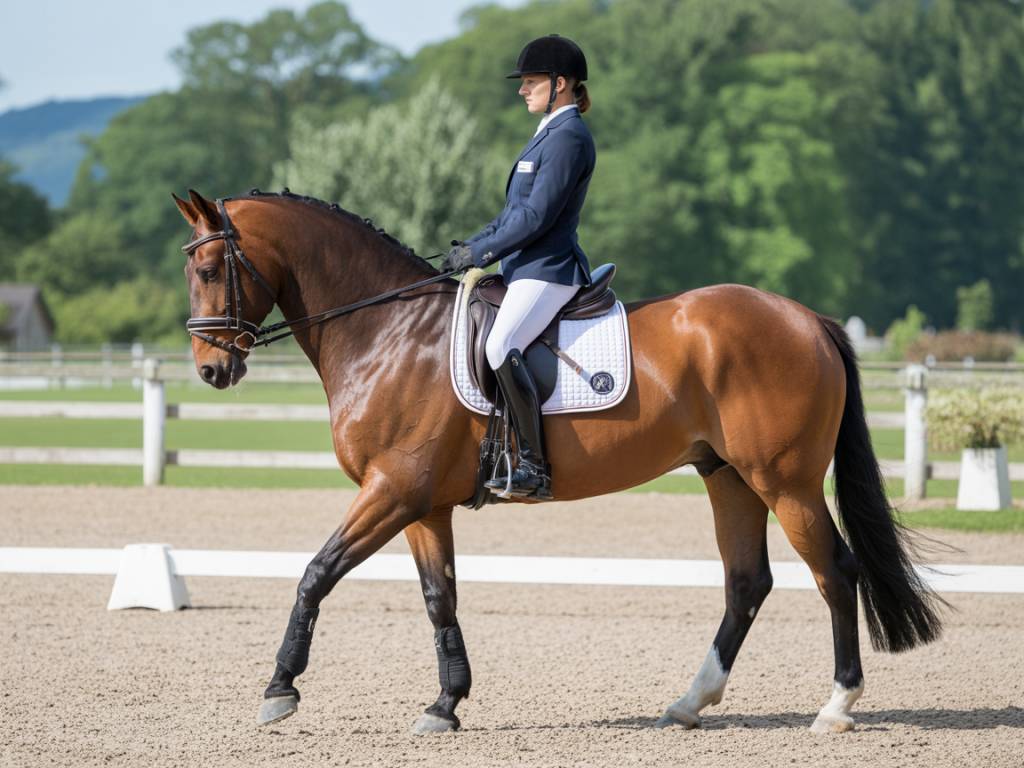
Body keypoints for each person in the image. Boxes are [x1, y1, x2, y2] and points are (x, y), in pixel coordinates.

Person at [442, 34, 596, 500]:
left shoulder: (568, 137)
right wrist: (473, 246)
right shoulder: (548, 133)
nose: (522, 89)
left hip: (548, 269)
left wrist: (483, 255)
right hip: (524, 266)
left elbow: (537, 217)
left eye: (531, 81)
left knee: (500, 343)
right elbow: (512, 215)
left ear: (561, 84)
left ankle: (533, 464)